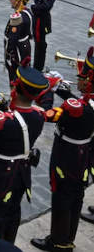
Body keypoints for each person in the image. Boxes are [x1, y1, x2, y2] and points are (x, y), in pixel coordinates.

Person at [0, 58, 48, 244]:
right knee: (12, 214)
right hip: (20, 174)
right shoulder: (38, 116)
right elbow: (18, 119)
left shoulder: (3, 121)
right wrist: (1, 105)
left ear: (16, 88)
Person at [30, 50, 94, 252]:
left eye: (84, 77)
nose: (80, 79)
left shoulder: (82, 109)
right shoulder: (89, 102)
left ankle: (58, 242)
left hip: (68, 154)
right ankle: (67, 238)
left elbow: (50, 114)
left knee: (62, 197)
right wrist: (62, 89)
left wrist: (47, 92)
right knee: (76, 196)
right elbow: (80, 104)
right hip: (83, 152)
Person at [18, 0, 59, 71]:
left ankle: (38, 67)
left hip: (42, 20)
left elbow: (46, 6)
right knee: (37, 42)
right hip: (38, 18)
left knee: (40, 44)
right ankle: (36, 65)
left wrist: (32, 7)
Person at [5, 0, 34, 85]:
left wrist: (8, 51)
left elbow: (13, 39)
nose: (11, 0)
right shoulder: (27, 12)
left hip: (17, 51)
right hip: (25, 47)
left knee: (14, 74)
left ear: (19, 0)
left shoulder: (18, 17)